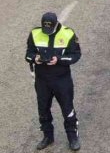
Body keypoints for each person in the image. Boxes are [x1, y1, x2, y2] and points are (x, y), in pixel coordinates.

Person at [25, 12, 82, 151]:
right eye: (45, 28)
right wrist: (35, 58)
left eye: (50, 29)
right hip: (42, 80)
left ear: (56, 24)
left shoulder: (68, 34)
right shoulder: (35, 34)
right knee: (43, 109)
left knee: (67, 109)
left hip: (62, 80)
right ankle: (47, 136)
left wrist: (59, 60)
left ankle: (72, 137)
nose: (47, 31)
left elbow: (76, 55)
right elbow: (28, 54)